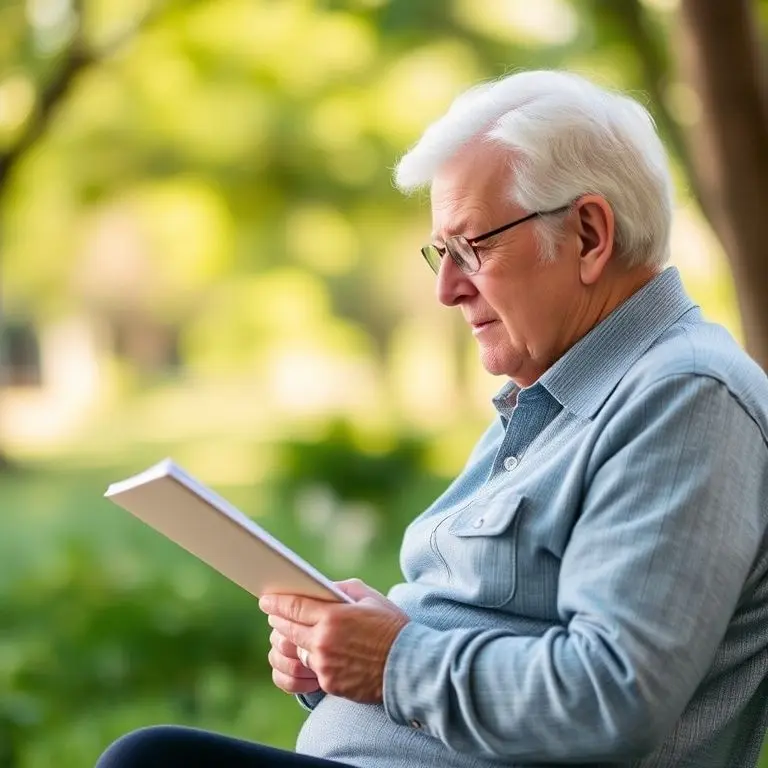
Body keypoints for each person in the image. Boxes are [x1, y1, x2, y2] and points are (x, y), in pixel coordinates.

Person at [95, 70, 768, 768]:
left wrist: (393, 660)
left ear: (589, 235)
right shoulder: (548, 397)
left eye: (472, 247)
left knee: (149, 761)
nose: (447, 289)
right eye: (440, 254)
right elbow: (489, 632)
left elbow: (610, 699)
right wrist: (344, 647)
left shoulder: (688, 398)